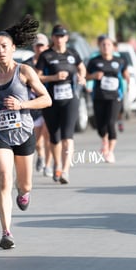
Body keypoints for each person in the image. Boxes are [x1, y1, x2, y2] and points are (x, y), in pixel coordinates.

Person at [0, 15, 52, 249]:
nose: (0, 51)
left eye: (4, 47)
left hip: (24, 133)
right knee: (4, 179)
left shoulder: (24, 72)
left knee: (25, 184)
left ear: (13, 49)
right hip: (1, 134)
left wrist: (21, 105)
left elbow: (46, 99)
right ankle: (6, 232)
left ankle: (24, 193)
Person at [35, 24, 87, 184]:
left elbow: (82, 68)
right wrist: (54, 77)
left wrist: (81, 77)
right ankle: (57, 164)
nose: (59, 39)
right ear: (53, 38)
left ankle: (65, 170)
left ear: (66, 38)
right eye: (56, 36)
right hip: (51, 101)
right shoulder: (46, 56)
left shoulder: (73, 53)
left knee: (68, 136)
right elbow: (37, 77)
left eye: (62, 36)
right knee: (54, 137)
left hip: (70, 99)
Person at [86, 35, 129, 163]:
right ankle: (104, 140)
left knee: (111, 123)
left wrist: (128, 80)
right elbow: (86, 76)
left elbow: (126, 73)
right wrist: (94, 75)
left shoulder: (120, 60)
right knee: (100, 126)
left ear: (113, 47)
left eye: (108, 45)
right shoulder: (94, 61)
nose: (106, 47)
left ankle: (110, 151)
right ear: (100, 47)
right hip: (99, 96)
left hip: (115, 97)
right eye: (103, 45)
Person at [23, 33, 53, 177]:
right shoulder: (27, 64)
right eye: (37, 46)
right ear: (34, 47)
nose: (40, 48)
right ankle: (40, 155)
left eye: (42, 46)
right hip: (33, 104)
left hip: (49, 103)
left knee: (48, 135)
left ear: (47, 47)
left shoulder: (52, 62)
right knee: (36, 139)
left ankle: (48, 165)